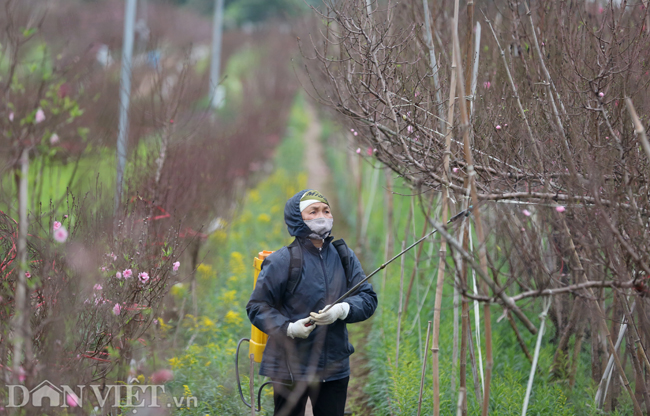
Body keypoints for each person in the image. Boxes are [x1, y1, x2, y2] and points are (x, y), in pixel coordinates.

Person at [246, 189, 378, 416]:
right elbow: (257, 307)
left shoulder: (344, 256)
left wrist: (342, 309)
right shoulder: (281, 260)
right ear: (298, 218)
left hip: (334, 366)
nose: (322, 216)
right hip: (289, 368)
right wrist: (289, 328)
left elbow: (367, 298)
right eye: (313, 211)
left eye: (326, 211)